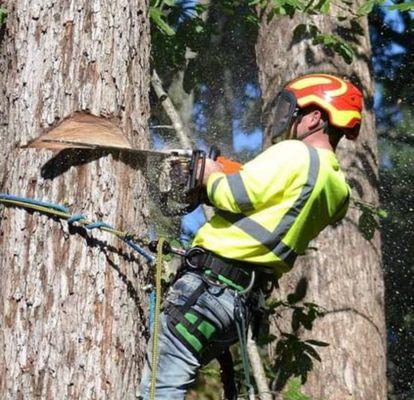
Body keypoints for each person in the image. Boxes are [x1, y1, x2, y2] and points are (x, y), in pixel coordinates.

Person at [139, 73, 363, 399]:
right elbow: (274, 206)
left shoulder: (295, 154)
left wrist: (210, 174)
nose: (288, 120)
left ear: (315, 117)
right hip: (239, 308)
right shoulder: (338, 189)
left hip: (208, 290)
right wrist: (231, 171)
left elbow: (235, 196)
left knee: (159, 389)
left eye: (296, 112)